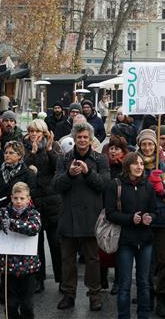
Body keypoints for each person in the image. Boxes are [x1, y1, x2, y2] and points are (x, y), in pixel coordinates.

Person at [55, 121, 109, 312]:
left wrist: (88, 173)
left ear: (91, 139)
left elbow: (104, 185)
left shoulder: (100, 159)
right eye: (79, 137)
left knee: (92, 260)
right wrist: (69, 175)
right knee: (68, 260)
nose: (83, 140)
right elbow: (56, 185)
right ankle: (68, 294)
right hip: (68, 215)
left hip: (91, 217)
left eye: (86, 137)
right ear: (74, 138)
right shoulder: (63, 159)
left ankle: (94, 294)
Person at [104, 151, 158, 319]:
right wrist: (130, 219)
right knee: (125, 284)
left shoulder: (148, 186)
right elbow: (110, 213)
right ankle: (124, 316)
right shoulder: (115, 185)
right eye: (136, 163)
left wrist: (150, 218)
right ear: (127, 166)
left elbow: (154, 211)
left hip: (145, 241)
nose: (139, 167)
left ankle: (143, 315)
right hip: (125, 241)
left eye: (141, 164)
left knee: (144, 283)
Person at [136, 128, 165, 316]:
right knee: (146, 262)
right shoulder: (133, 161)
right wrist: (147, 181)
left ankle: (162, 296)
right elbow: (128, 188)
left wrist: (162, 190)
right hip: (142, 219)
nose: (147, 148)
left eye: (150, 144)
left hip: (163, 218)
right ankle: (147, 296)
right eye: (144, 144)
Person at [0, 140, 37, 286]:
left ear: (19, 155)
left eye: (11, 152)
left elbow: (31, 194)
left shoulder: (27, 173)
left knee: (13, 253)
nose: (7, 155)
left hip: (17, 215)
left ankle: (20, 283)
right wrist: (5, 192)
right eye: (5, 152)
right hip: (0, 212)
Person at [0, 182, 41, 319]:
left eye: (22, 198)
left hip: (28, 268)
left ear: (28, 198)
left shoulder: (33, 213)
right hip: (9, 268)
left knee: (27, 305)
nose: (18, 202)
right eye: (15, 198)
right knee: (10, 305)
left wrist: (13, 224)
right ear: (11, 198)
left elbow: (34, 227)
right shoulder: (5, 211)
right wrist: (1, 222)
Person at [23, 119, 62, 293]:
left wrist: (49, 150)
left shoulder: (53, 148)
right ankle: (39, 279)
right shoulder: (25, 148)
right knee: (36, 245)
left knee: (55, 244)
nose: (34, 135)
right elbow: (25, 171)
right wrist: (31, 153)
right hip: (34, 203)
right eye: (31, 131)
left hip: (52, 203)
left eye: (37, 131)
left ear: (44, 133)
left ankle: (61, 279)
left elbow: (58, 169)